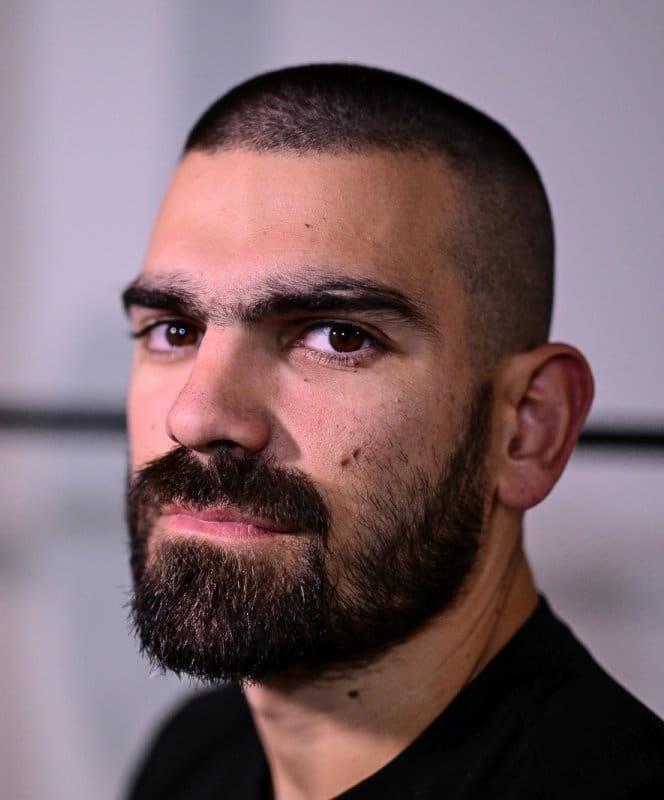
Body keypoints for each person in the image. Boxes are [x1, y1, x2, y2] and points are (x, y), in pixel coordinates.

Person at [122, 63, 664, 799]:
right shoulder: (198, 753)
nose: (196, 417)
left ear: (528, 428)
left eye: (338, 336)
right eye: (174, 330)